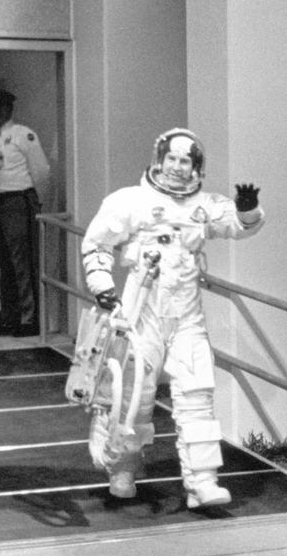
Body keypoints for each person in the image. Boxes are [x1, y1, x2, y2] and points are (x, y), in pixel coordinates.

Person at [78, 127, 263, 507]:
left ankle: (202, 482)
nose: (178, 168)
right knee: (131, 394)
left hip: (185, 311)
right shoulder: (130, 201)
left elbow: (237, 225)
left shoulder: (205, 204)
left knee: (197, 391)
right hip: (139, 307)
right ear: (158, 160)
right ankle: (123, 468)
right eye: (172, 159)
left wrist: (247, 208)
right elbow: (97, 245)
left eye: (186, 161)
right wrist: (103, 288)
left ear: (197, 167)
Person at [0, 84, 50, 337]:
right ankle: (9, 315)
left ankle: (28, 318)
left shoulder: (23, 134)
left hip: (17, 202)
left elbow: (41, 172)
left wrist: (37, 205)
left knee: (22, 261)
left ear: (6, 109)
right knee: (2, 261)